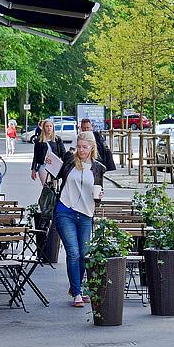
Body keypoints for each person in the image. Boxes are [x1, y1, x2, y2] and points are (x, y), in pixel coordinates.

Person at [45, 131, 106, 307]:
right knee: (73, 252)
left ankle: (76, 286)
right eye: (79, 147)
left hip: (86, 213)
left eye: (85, 147)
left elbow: (98, 192)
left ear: (92, 147)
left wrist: (100, 196)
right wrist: (48, 164)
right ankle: (77, 293)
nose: (81, 150)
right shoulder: (70, 162)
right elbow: (55, 175)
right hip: (65, 210)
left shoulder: (98, 168)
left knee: (84, 254)